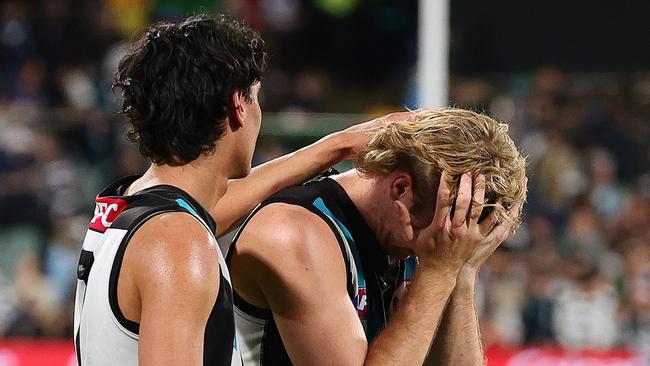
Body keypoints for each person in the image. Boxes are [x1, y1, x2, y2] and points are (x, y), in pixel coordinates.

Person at [73, 13, 404, 366]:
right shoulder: (178, 244)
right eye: (256, 97)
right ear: (238, 106)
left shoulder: (133, 208)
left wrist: (336, 147)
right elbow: (188, 236)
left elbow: (214, 209)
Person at [228, 108, 528, 365]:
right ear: (401, 189)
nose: (451, 243)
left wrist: (463, 270)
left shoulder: (430, 238)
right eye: (447, 232)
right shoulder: (293, 233)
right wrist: (439, 271)